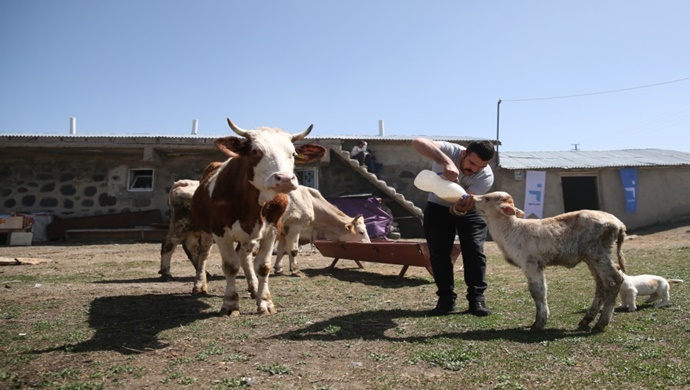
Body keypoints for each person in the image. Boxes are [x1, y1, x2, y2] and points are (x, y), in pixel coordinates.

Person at [411, 138, 496, 316]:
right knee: (439, 252)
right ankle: (446, 300)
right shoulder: (452, 151)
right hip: (437, 206)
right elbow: (417, 142)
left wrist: (458, 210)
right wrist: (447, 162)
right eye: (472, 163)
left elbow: (467, 203)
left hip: (470, 210)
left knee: (474, 250)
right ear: (464, 154)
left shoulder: (485, 177)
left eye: (480, 166)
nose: (474, 169)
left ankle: (477, 300)